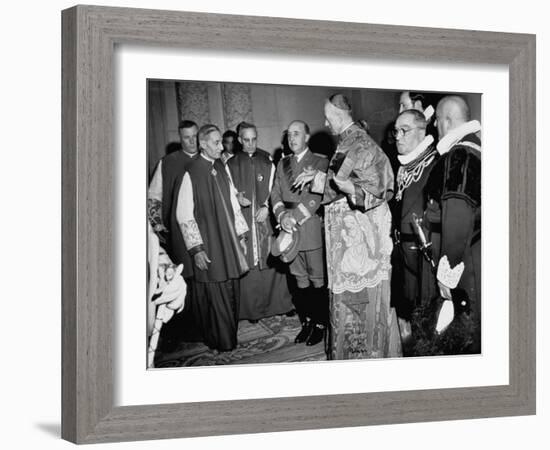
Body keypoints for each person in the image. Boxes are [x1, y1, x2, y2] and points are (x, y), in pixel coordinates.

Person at [294, 94, 402, 359]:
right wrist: (319, 177)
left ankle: (363, 353)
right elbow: (340, 181)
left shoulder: (356, 142)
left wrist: (330, 182)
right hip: (350, 237)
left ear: (339, 116)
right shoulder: (349, 141)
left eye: (327, 117)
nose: (325, 122)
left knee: (359, 297)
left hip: (360, 241)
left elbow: (371, 187)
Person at [175, 124, 250, 351]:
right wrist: (196, 249)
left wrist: (241, 236)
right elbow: (184, 214)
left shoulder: (220, 166)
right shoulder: (191, 171)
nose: (222, 146)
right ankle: (223, 341)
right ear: (203, 144)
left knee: (232, 288)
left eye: (221, 141)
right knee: (216, 293)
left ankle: (230, 337)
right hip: (209, 243)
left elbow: (233, 202)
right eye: (216, 142)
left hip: (228, 240)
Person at [422, 95, 481, 353]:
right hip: (473, 249)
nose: (435, 126)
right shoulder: (476, 146)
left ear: (446, 120)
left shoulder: (459, 155)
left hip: (462, 258)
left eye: (437, 120)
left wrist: (447, 275)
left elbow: (457, 215)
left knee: (461, 333)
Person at [271, 120, 329, 346]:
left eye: (297, 134)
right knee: (299, 280)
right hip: (288, 230)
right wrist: (282, 216)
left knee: (317, 281)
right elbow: (275, 194)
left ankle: (321, 324)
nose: (292, 138)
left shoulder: (320, 161)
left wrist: (293, 218)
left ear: (306, 137)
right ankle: (307, 322)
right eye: (289, 135)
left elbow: (315, 197)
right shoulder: (282, 163)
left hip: (309, 229)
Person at [227, 122, 293, 321]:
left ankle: (280, 305)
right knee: (250, 264)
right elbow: (227, 191)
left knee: (272, 259)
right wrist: (236, 198)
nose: (250, 144)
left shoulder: (267, 160)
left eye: (254, 139)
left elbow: (276, 188)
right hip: (245, 220)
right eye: (246, 140)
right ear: (239, 140)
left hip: (266, 220)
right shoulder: (230, 164)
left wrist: (266, 206)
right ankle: (252, 310)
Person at [147, 120, 200, 349]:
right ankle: (186, 329)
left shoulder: (208, 157)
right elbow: (154, 197)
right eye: (186, 137)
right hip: (177, 234)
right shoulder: (167, 163)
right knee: (183, 279)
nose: (191, 141)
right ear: (180, 138)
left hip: (207, 232)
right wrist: (157, 225)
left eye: (194, 136)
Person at [391, 109, 439, 349]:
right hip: (403, 253)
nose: (398, 136)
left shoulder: (435, 165)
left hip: (424, 256)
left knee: (427, 316)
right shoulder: (402, 167)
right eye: (396, 131)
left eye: (404, 131)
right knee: (408, 312)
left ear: (422, 131)